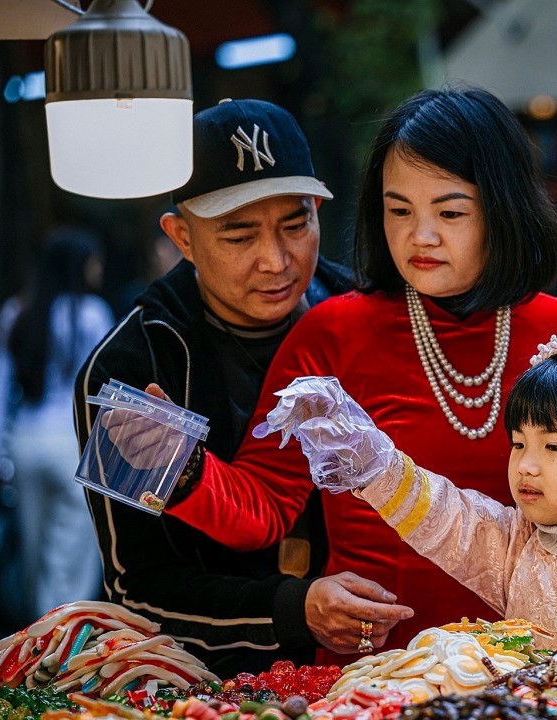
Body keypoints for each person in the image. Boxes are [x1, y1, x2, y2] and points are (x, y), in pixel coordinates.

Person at [160, 87, 557, 660]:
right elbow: (264, 507)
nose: (421, 236)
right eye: (399, 211)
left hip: (535, 665)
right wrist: (177, 468)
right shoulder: (330, 334)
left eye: (450, 212)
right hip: (376, 671)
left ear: (503, 209)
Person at [73, 98, 372, 676]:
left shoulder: (360, 314)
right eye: (239, 237)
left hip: (379, 661)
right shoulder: (130, 371)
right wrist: (289, 610)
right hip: (208, 680)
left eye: (296, 224)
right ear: (182, 237)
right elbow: (139, 590)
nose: (276, 260)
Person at [255, 334, 557, 648]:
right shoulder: (515, 546)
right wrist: (367, 456)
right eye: (518, 444)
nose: (526, 466)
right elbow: (442, 512)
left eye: (554, 447)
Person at [0, 226, 113, 618]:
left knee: (35, 550)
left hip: (25, 440)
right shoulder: (92, 313)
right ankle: (63, 642)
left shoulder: (16, 311)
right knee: (71, 555)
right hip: (72, 444)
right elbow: (103, 392)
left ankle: (38, 637)